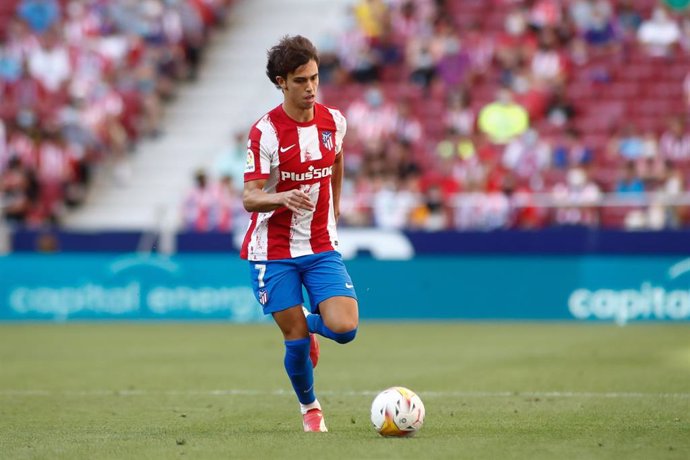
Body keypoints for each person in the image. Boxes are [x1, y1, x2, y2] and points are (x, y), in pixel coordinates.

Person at [240, 35, 359, 433]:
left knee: (345, 328)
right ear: (281, 82)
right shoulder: (266, 133)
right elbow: (250, 198)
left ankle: (310, 322)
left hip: (321, 243)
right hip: (273, 249)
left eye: (314, 78)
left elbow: (337, 158)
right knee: (294, 340)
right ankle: (310, 409)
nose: (310, 87)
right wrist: (281, 197)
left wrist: (336, 203)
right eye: (300, 80)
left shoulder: (334, 121)